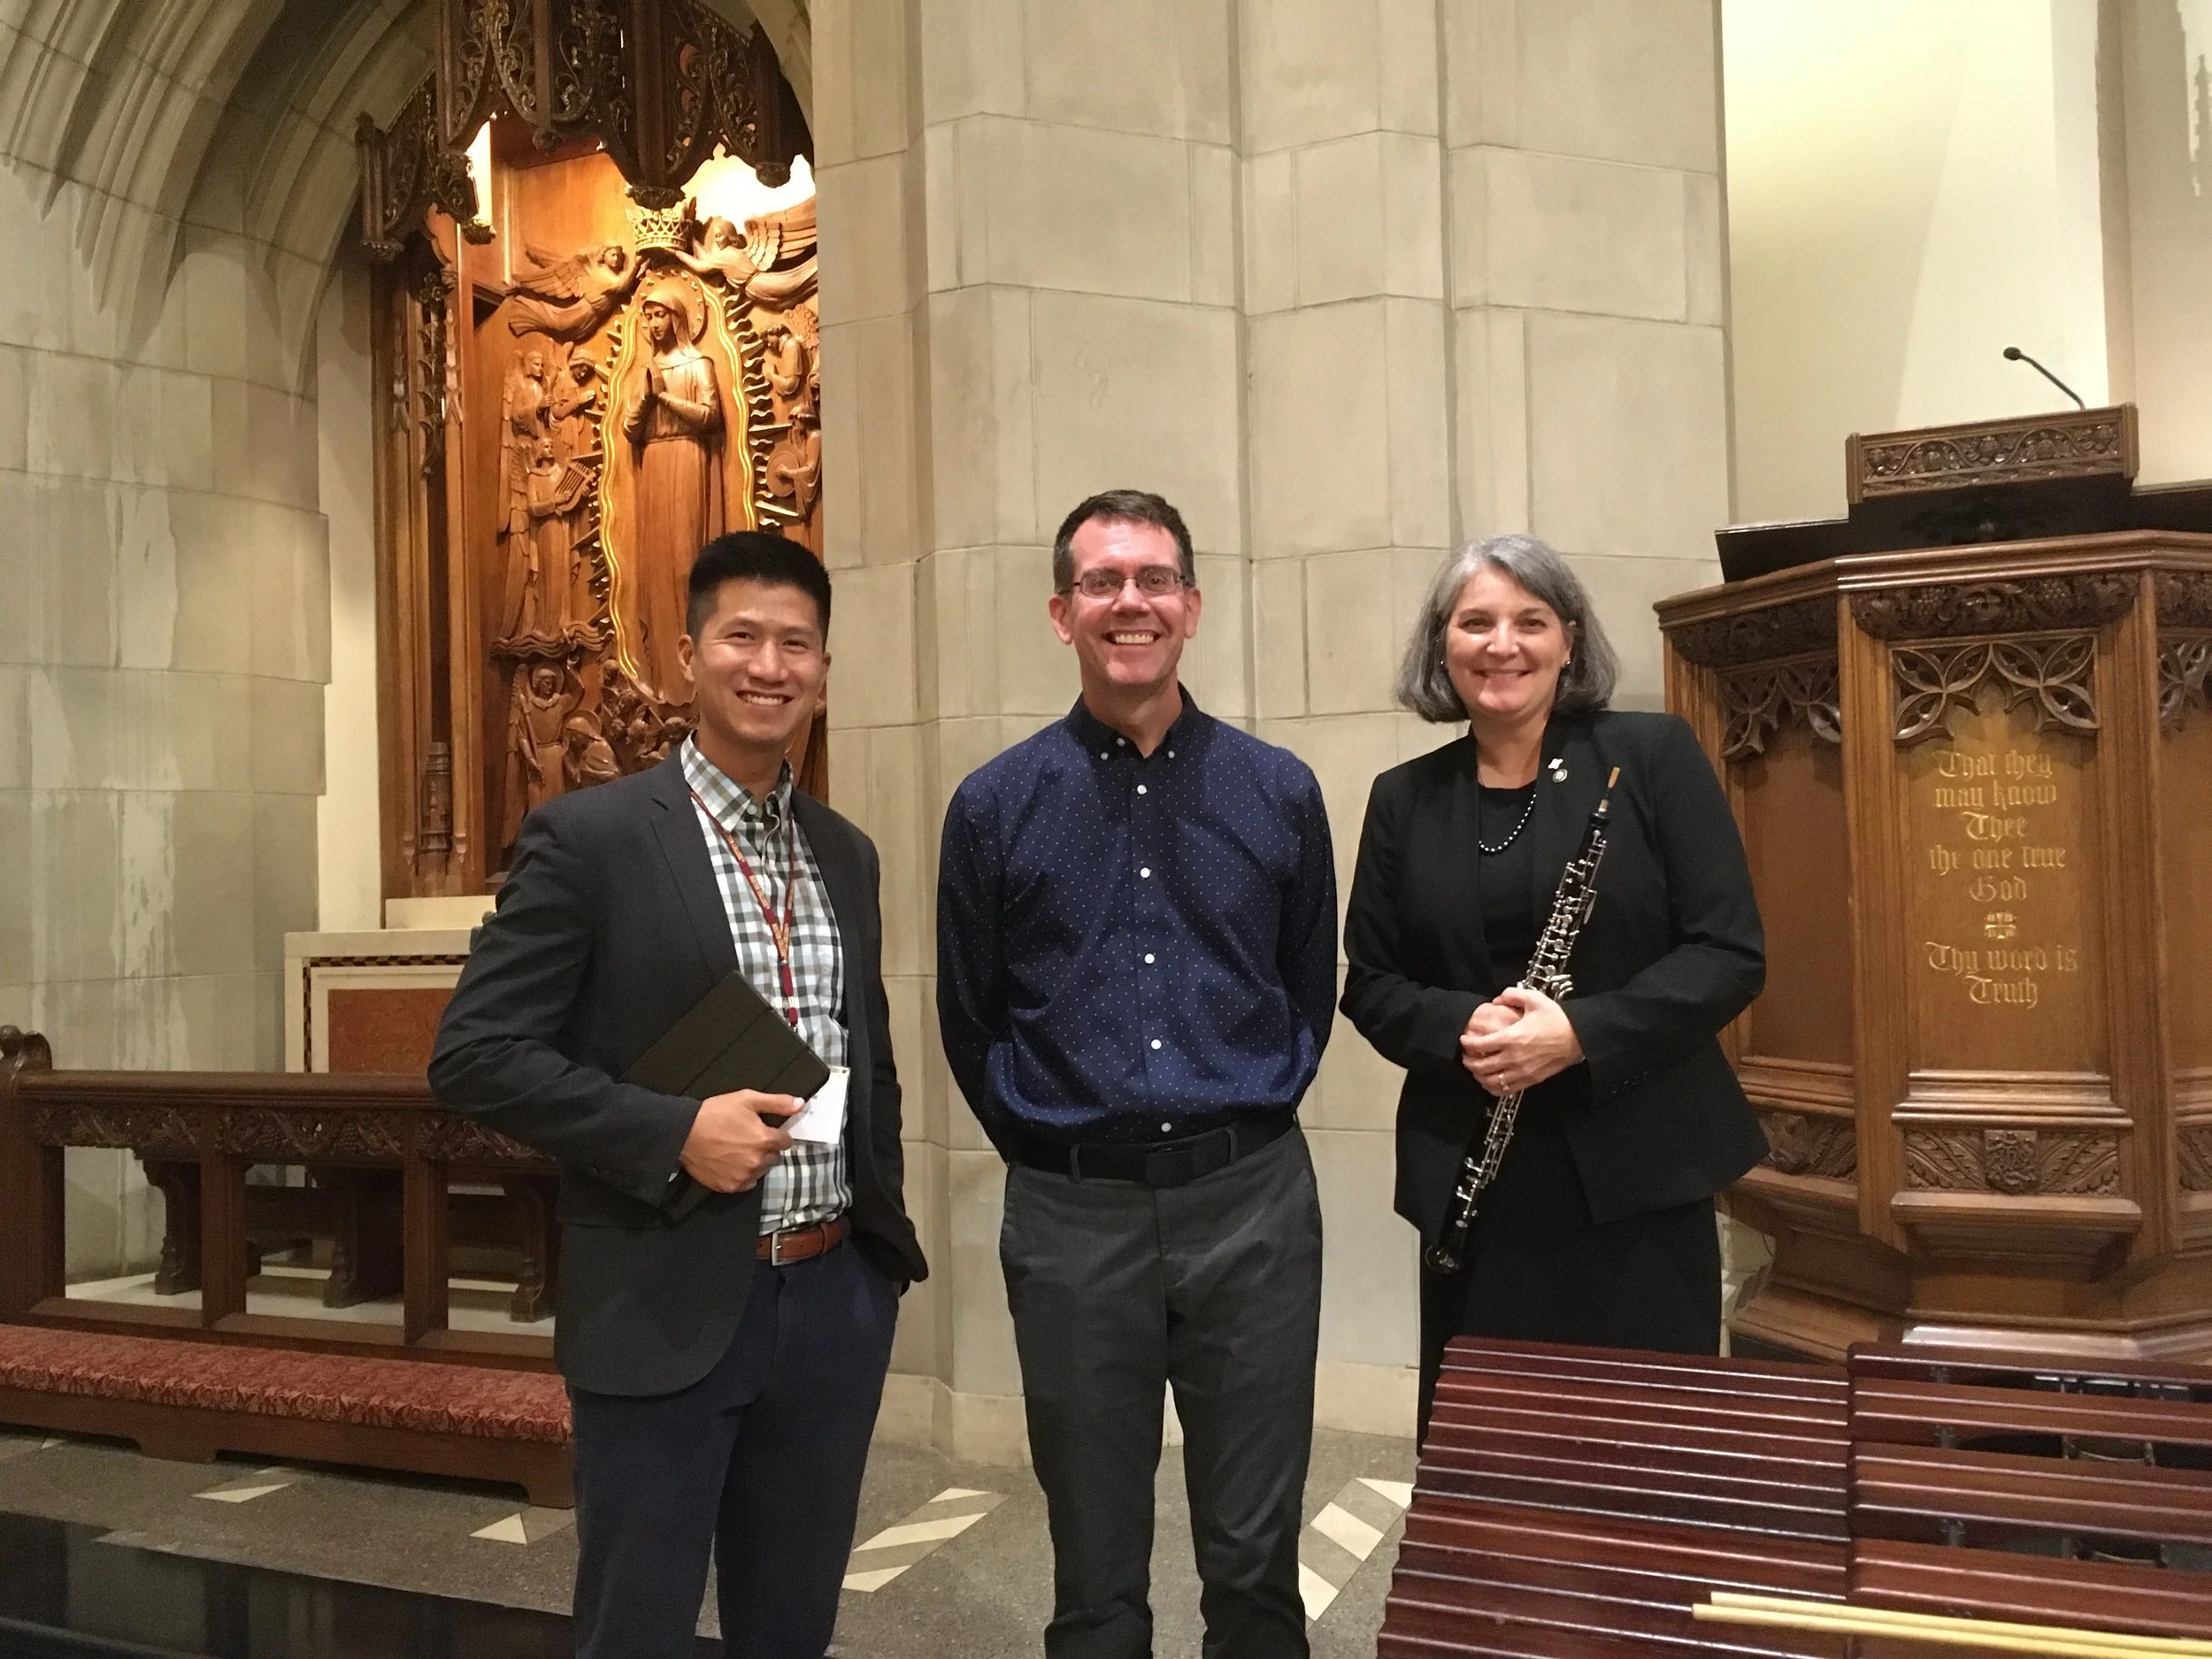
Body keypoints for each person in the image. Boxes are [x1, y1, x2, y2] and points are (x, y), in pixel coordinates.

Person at [430, 531, 926, 1659]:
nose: (770, 665)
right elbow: (473, 1055)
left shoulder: (842, 853)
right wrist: (670, 1132)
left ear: (824, 668)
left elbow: (863, 1049)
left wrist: (876, 1259)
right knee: (637, 1624)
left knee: (791, 1622)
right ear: (690, 652)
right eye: (742, 636)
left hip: (829, 1296)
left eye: (796, 643)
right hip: (663, 1292)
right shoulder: (591, 837)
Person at [937, 489, 1338, 1659]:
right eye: (1103, 581)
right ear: (1062, 613)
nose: (1131, 601)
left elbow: (1306, 983)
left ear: (1192, 606)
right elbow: (971, 1013)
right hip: (1073, 1214)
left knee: (1257, 1567)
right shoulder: (996, 806)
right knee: (1094, 1568)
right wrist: (1050, 1142)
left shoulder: (1279, 791)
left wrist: (1250, 1099)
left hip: (1252, 1205)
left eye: (1154, 578)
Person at [1340, 534, 1766, 1437]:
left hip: (1639, 1173)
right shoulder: (1403, 799)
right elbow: (1371, 982)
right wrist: (1471, 1031)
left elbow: (1727, 950)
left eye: (1530, 621)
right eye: (1476, 623)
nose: (1504, 645)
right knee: (1493, 1454)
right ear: (1440, 646)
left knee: (1645, 1451)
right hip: (1477, 1179)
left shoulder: (1648, 757)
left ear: (1568, 641)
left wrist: (1578, 1034)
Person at [622, 280, 727, 699]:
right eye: (647, 316)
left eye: (659, 314)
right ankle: (664, 676)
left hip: (685, 459)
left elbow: (710, 415)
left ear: (678, 319)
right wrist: (648, 399)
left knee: (685, 564)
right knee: (655, 572)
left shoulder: (698, 363)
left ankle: (694, 673)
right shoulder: (647, 373)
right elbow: (630, 429)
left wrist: (665, 400)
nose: (652, 323)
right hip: (654, 462)